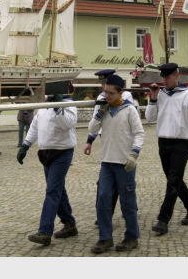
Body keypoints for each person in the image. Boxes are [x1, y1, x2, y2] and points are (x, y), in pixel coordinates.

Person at [145, 63, 188, 235]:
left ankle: (163, 219)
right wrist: (153, 98)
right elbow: (150, 118)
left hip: (182, 143)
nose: (165, 80)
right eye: (163, 77)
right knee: (175, 180)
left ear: (176, 75)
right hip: (163, 142)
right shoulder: (160, 94)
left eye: (168, 77)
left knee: (172, 181)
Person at [89, 74, 144, 253]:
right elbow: (92, 129)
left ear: (121, 92)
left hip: (124, 163)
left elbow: (139, 133)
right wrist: (99, 113)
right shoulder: (104, 110)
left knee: (127, 201)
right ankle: (105, 238)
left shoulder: (129, 110)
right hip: (107, 161)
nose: (107, 96)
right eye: (105, 92)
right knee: (103, 199)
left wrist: (134, 153)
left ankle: (132, 236)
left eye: (111, 93)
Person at [17, 93, 78, 246]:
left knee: (52, 190)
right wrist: (25, 145)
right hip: (45, 153)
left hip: (62, 152)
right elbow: (35, 127)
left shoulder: (68, 104)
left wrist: (58, 108)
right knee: (58, 189)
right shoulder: (44, 106)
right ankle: (69, 223)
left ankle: (45, 231)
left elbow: (67, 124)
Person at [83, 69, 134, 223]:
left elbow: (132, 120)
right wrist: (89, 141)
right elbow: (95, 122)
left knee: (123, 185)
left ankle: (129, 211)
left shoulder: (126, 97)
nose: (104, 88)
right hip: (107, 142)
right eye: (102, 84)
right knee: (104, 185)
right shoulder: (101, 98)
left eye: (106, 83)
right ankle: (105, 214)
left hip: (123, 145)